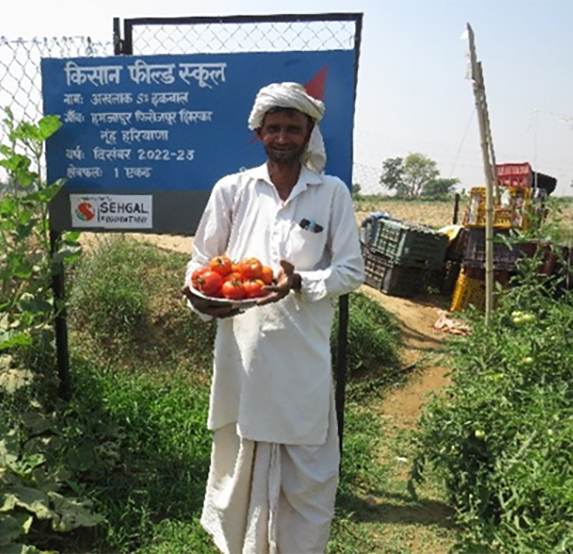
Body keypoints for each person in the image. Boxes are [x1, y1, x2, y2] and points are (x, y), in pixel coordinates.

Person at [182, 81, 365, 554]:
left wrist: (301, 282)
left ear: (309, 134)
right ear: (259, 132)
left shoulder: (331, 193)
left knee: (308, 475)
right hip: (242, 356)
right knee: (238, 467)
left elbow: (350, 270)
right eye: (274, 128)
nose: (283, 137)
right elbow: (201, 264)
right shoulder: (233, 190)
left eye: (293, 128)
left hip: (301, 357)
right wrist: (200, 299)